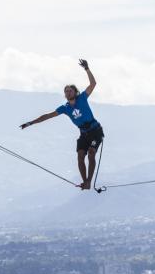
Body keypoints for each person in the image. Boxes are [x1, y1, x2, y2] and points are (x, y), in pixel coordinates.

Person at [20, 59, 103, 190]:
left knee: (92, 153)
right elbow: (47, 116)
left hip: (95, 131)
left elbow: (93, 83)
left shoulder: (82, 98)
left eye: (69, 91)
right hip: (84, 134)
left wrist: (87, 69)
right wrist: (31, 123)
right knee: (80, 156)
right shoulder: (65, 108)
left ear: (75, 92)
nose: (67, 93)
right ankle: (84, 182)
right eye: (65, 91)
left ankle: (88, 181)